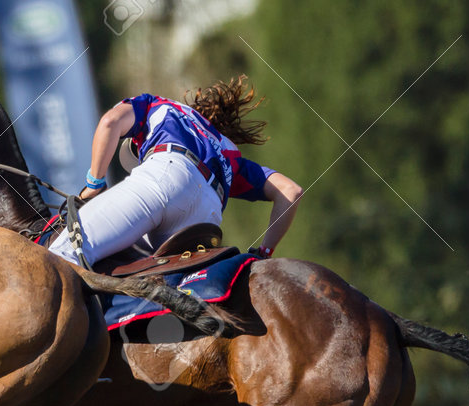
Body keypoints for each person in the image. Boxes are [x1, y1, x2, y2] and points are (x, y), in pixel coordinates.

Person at [47, 77, 302, 268]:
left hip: (166, 175)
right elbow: (290, 191)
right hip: (206, 217)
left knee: (65, 252)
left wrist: (94, 183)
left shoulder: (156, 105)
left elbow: (109, 123)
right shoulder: (229, 154)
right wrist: (264, 253)